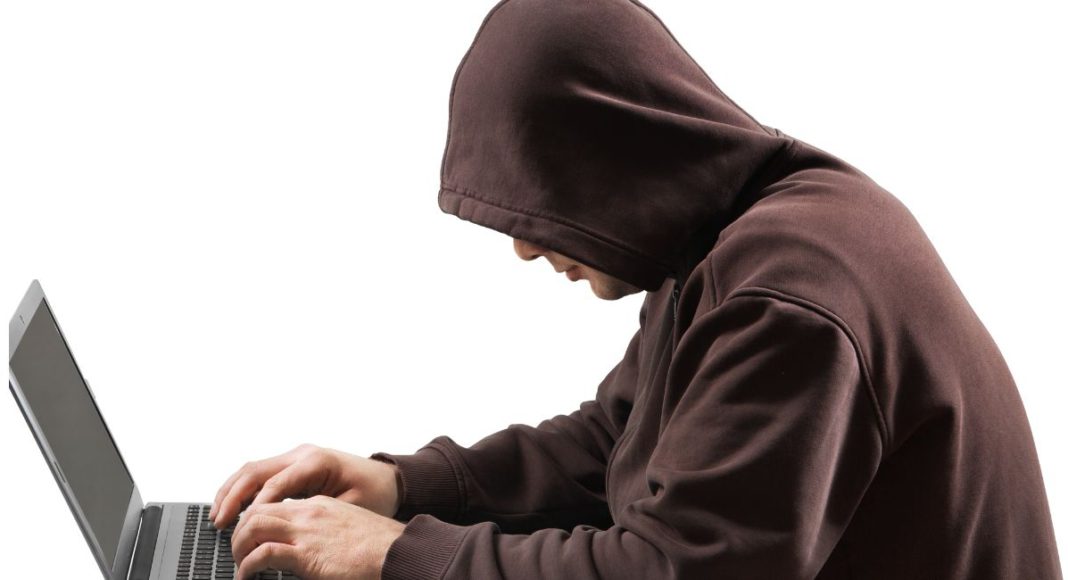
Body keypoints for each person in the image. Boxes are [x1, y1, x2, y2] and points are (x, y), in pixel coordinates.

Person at [211, 0, 1063, 578]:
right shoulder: (731, 240)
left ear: (615, 157)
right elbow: (614, 446)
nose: (524, 246)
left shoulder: (790, 300)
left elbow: (672, 568)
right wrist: (402, 488)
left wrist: (397, 556)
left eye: (538, 203)